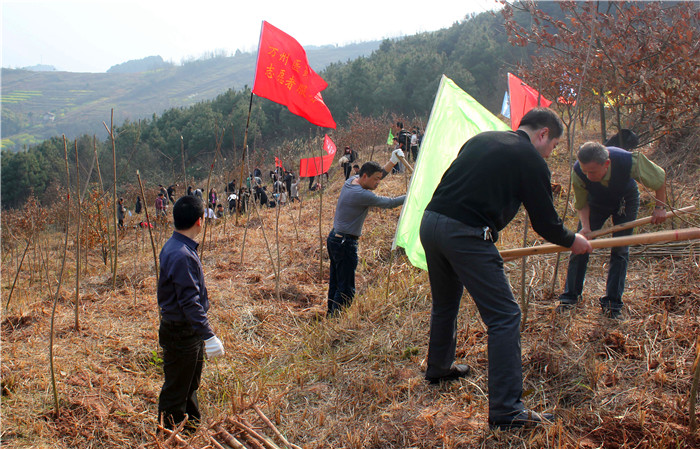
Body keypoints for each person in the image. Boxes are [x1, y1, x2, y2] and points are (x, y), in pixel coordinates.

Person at [419, 108, 592, 430]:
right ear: (543, 134)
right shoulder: (530, 158)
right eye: (553, 145)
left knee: (445, 304)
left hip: (431, 223)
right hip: (465, 233)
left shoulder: (482, 139)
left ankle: (439, 367)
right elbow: (545, 222)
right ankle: (507, 411)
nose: (550, 152)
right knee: (505, 316)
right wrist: (574, 241)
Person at [557, 136, 667, 318]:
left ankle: (612, 304)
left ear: (606, 163)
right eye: (585, 171)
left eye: (592, 172)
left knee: (620, 250)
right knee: (580, 246)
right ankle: (570, 297)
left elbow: (659, 177)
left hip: (625, 200)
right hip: (596, 203)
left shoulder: (628, 160)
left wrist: (660, 208)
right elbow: (582, 203)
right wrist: (585, 228)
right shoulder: (578, 171)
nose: (587, 176)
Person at [157, 195, 225, 431]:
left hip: (187, 331)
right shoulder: (181, 254)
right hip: (181, 333)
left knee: (190, 384)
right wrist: (208, 335)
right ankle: (168, 438)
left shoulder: (178, 247)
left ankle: (191, 430)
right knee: (176, 390)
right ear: (199, 221)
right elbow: (189, 301)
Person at [326, 149, 407, 317]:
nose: (378, 182)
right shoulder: (360, 195)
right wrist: (413, 195)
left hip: (335, 239)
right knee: (346, 290)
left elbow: (375, 177)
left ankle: (330, 317)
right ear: (365, 177)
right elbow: (390, 203)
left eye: (379, 178)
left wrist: (392, 162)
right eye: (376, 179)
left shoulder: (352, 180)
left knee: (336, 283)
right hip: (345, 244)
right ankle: (336, 324)